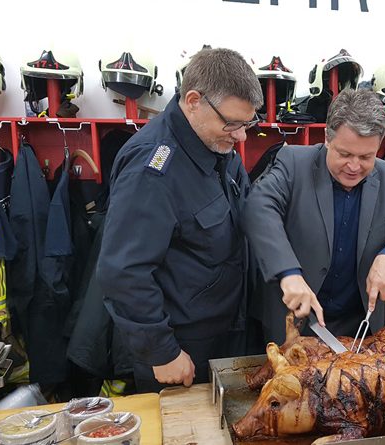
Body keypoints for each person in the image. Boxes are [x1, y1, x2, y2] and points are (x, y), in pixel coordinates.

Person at [97, 48, 263, 392]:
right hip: (182, 352)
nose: (241, 135)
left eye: (247, 123)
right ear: (192, 101)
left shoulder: (218, 146)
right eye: (232, 123)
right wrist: (162, 352)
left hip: (229, 333)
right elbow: (123, 272)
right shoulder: (154, 169)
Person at [243, 89, 385, 344]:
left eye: (366, 157)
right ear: (327, 137)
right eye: (345, 154)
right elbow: (258, 206)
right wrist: (288, 273)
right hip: (294, 323)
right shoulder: (293, 162)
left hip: (360, 328)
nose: (354, 166)